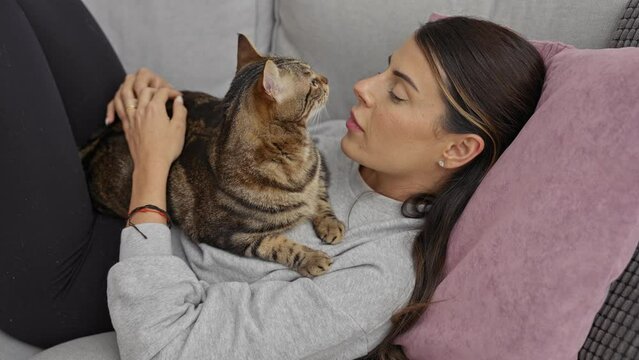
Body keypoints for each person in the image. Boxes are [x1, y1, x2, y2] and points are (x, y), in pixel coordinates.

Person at [0, 0, 545, 359]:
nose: (362, 87)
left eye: (397, 92)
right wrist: (167, 104)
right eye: (384, 68)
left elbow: (166, 346)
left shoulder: (373, 280)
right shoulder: (349, 142)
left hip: (86, 278)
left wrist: (149, 171)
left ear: (458, 149)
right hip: (134, 184)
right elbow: (238, 145)